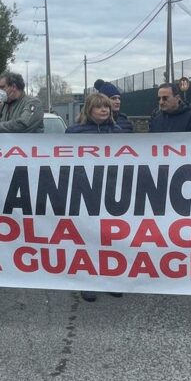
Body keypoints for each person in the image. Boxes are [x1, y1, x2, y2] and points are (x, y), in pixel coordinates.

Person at [66, 93, 124, 301]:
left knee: (111, 239)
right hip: (85, 190)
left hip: (111, 191)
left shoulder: (117, 132)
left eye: (106, 107)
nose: (104, 110)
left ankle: (111, 279)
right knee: (88, 237)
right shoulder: (73, 133)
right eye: (99, 107)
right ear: (89, 109)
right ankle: (88, 280)